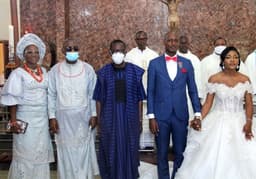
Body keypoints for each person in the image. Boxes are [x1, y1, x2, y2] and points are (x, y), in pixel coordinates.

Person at [176, 46, 256, 179]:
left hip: (240, 121)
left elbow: (248, 104)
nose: (232, 60)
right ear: (222, 60)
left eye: (236, 57)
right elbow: (208, 103)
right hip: (218, 121)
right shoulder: (214, 79)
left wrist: (249, 122)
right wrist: (199, 118)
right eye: (229, 57)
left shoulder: (245, 79)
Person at [147, 31, 201, 179]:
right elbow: (150, 91)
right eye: (169, 40)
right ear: (164, 42)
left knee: (180, 152)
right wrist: (151, 116)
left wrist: (198, 112)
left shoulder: (187, 63)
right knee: (162, 153)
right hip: (160, 117)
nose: (172, 43)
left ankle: (178, 176)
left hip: (180, 115)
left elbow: (193, 90)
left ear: (178, 43)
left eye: (175, 41)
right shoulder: (154, 64)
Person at [0, 33, 54, 179]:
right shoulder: (18, 73)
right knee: (26, 154)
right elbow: (13, 99)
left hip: (42, 120)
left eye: (36, 52)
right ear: (24, 55)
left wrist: (51, 118)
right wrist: (13, 121)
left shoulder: (44, 71)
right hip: (25, 119)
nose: (33, 55)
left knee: (40, 154)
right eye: (29, 52)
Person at [93, 39, 146, 179]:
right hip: (110, 118)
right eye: (115, 51)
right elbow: (98, 99)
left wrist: (140, 120)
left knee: (130, 148)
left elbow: (140, 98)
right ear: (110, 52)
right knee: (110, 147)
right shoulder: (103, 73)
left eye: (121, 51)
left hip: (130, 117)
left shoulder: (135, 72)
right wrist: (99, 122)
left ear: (125, 52)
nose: (118, 53)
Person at [48, 38, 99, 179]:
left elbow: (93, 94)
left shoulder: (88, 69)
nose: (72, 51)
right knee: (65, 150)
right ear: (63, 51)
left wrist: (94, 114)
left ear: (79, 50)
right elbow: (51, 94)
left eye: (75, 48)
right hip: (62, 120)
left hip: (83, 118)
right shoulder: (54, 71)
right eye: (68, 48)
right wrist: (52, 117)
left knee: (83, 150)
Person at [125, 31, 159, 150]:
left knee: (149, 117)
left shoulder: (154, 55)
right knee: (137, 118)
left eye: (143, 38)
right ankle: (138, 144)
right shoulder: (129, 55)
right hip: (135, 93)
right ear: (135, 40)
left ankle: (150, 144)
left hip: (151, 91)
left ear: (147, 39)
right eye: (139, 39)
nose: (141, 41)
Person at [200, 37, 248, 102]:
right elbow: (201, 80)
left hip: (233, 99)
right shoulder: (205, 61)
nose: (220, 46)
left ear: (226, 45)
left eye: (222, 44)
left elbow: (244, 78)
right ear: (214, 46)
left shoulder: (236, 61)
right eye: (218, 45)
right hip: (210, 98)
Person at [178, 35, 202, 119]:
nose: (184, 45)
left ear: (188, 44)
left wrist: (199, 96)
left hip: (191, 95)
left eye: (185, 43)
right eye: (182, 43)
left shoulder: (194, 59)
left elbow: (199, 79)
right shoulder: (174, 58)